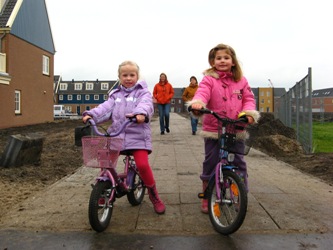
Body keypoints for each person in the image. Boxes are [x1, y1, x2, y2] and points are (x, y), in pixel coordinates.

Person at [82, 61, 166, 214]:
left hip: (137, 137)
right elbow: (105, 108)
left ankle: (154, 195)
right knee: (105, 160)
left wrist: (140, 114)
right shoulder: (115, 95)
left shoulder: (143, 92)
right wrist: (91, 115)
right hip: (117, 135)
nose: (128, 78)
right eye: (125, 75)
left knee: (142, 165)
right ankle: (106, 188)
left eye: (132, 75)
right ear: (119, 77)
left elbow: (146, 105)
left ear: (137, 76)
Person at [187, 43, 260, 214]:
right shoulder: (209, 79)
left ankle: (239, 193)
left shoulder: (241, 80)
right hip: (214, 129)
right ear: (213, 62)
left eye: (226, 58)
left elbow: (248, 98)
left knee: (239, 163)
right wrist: (198, 103)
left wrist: (249, 113)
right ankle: (207, 194)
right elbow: (202, 92)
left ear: (233, 61)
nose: (222, 61)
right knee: (211, 162)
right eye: (218, 58)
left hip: (236, 128)